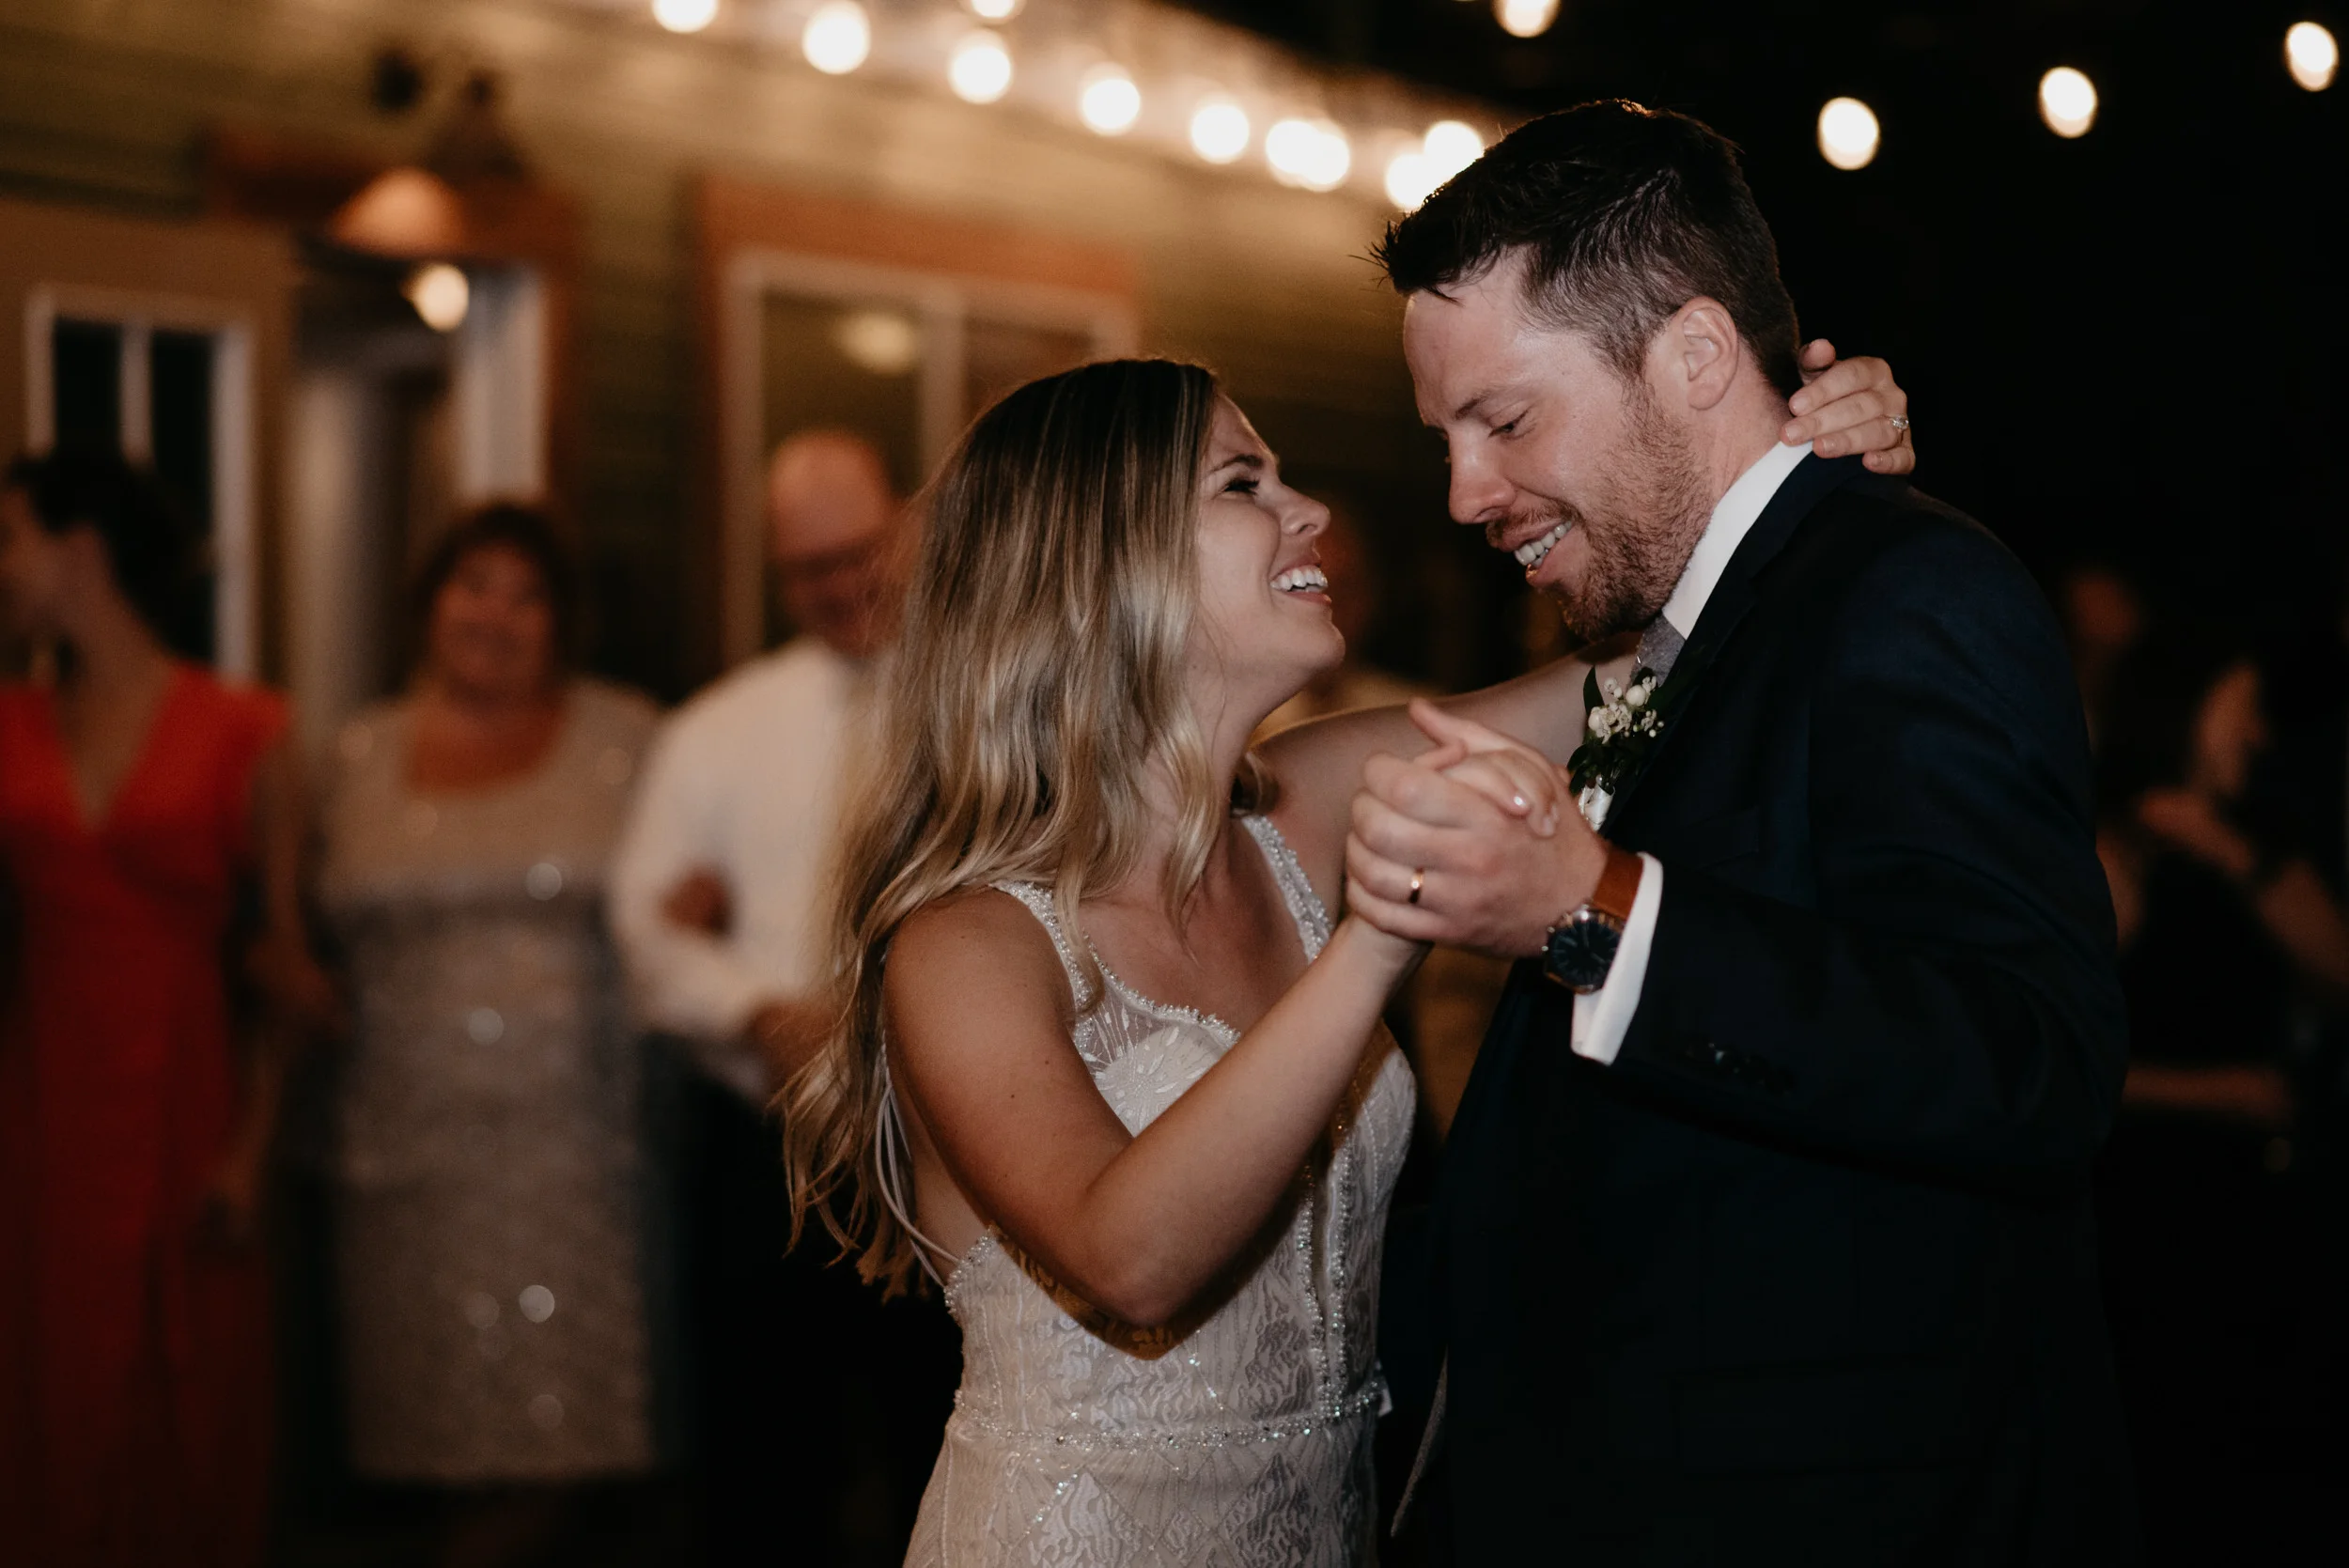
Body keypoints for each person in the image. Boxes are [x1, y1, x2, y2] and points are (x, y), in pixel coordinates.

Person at [780, 342, 1909, 1564]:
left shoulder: (1301, 811)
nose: (1306, 509)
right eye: (1242, 485)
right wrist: (1376, 939)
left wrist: (1796, 479)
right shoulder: (967, 944)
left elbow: (1659, 678)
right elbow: (1130, 1260)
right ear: (1101, 565)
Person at [1335, 101, 2134, 1563]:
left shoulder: (1906, 596)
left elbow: (2036, 1063)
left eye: (1504, 420)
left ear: (1697, 356)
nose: (1464, 492)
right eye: (1445, 437)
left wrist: (1594, 916)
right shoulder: (1691, 638)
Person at [608, 428, 953, 1560]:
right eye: (810, 568)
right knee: (763, 1457)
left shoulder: (981, 697)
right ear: (775, 574)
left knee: (942, 1434)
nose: (845, 584)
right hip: (766, 1146)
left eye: (860, 550)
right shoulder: (713, 730)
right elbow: (643, 925)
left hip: (946, 1129)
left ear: (903, 524)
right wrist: (757, 1010)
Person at [313, 504, 669, 1562]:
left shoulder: (632, 739)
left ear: (562, 622)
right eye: (474, 584)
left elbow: (707, 887)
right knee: (424, 1436)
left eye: (527, 593)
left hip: (573, 1153)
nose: (496, 614)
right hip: (398, 1154)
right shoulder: (353, 754)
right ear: (429, 605)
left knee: (553, 1440)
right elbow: (287, 924)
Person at [0, 448, 323, 1565]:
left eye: (12, 539)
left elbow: (286, 968)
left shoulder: (248, 731)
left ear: (79, 550)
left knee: (197, 1397)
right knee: (51, 1387)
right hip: (40, 1107)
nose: (4, 567)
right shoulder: (8, 721)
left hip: (191, 1095)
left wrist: (250, 1150)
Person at [2093, 633, 2349, 1564]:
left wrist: (2230, 852)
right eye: (2237, 703)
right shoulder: (2116, 852)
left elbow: (2338, 971)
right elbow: (2063, 1062)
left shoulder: (2247, 838)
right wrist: (2224, 1094)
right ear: (2183, 710)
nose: (2255, 729)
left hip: (2251, 1219)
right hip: (2159, 1223)